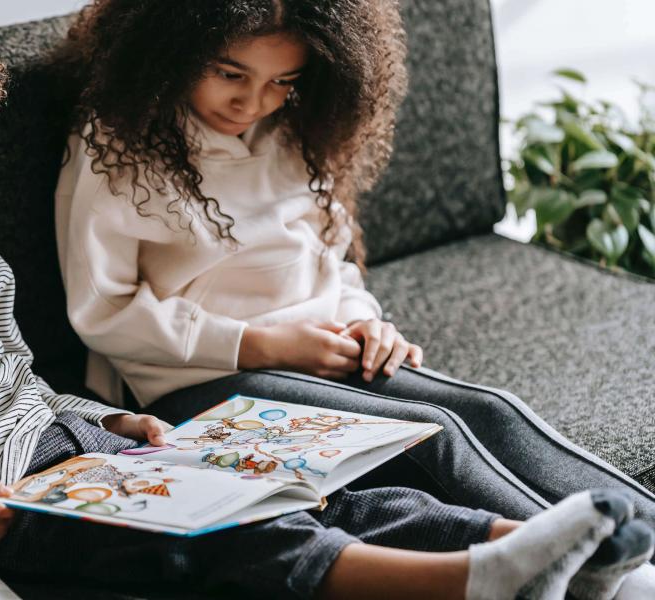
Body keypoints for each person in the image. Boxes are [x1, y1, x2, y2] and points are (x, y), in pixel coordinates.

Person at [0, 0, 655, 598]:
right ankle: (478, 577)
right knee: (227, 547)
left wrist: (107, 424)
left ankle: (563, 554)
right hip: (3, 505)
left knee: (291, 490)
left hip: (84, 443)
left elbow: (22, 385)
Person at [52, 0, 655, 533]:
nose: (251, 101)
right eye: (228, 73)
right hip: (190, 384)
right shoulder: (115, 146)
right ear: (174, 49)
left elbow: (329, 260)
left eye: (281, 80)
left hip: (320, 351)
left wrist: (365, 320)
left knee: (491, 410)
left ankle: (642, 534)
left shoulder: (291, 130)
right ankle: (595, 559)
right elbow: (102, 312)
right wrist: (261, 345)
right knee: (430, 436)